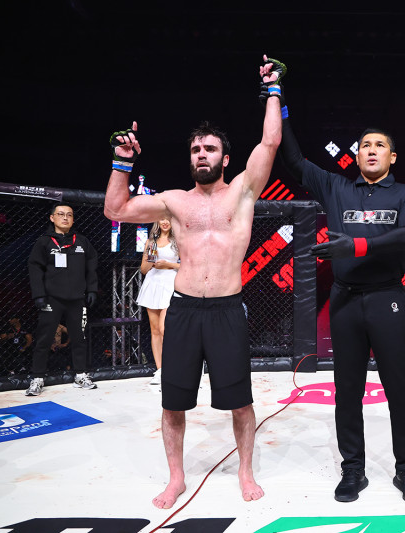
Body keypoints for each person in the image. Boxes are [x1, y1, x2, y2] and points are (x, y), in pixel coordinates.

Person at [103, 55, 283, 510]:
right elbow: (115, 210)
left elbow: (270, 141)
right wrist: (122, 161)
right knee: (173, 403)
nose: (201, 155)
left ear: (225, 157)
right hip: (183, 308)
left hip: (227, 309)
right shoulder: (174, 202)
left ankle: (245, 471)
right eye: (196, 150)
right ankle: (176, 478)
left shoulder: (243, 191)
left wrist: (273, 89)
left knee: (240, 402)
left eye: (210, 149)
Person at [274, 76, 405, 504]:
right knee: (347, 390)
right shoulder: (336, 187)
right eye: (365, 145)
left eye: (379, 145)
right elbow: (292, 159)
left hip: (386, 298)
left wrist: (357, 245)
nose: (371, 150)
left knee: (400, 388)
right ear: (357, 155)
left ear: (392, 156)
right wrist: (278, 100)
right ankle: (353, 470)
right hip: (345, 300)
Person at [26, 204, 98, 396]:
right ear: (52, 218)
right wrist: (39, 294)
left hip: (77, 299)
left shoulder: (81, 241)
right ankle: (37, 378)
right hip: (52, 298)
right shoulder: (44, 242)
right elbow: (34, 268)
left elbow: (92, 264)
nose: (65, 218)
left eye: (69, 215)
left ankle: (80, 374)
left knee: (79, 338)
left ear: (73, 219)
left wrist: (92, 289)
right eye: (60, 214)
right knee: (44, 339)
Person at [137, 217, 180, 385]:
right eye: (162, 218)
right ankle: (160, 370)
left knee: (165, 329)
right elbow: (144, 269)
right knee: (155, 330)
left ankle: (174, 369)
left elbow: (186, 265)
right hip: (153, 284)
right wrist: (151, 255)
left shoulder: (178, 241)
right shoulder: (151, 242)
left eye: (168, 218)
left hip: (170, 284)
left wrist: (168, 264)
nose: (165, 222)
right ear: (157, 221)